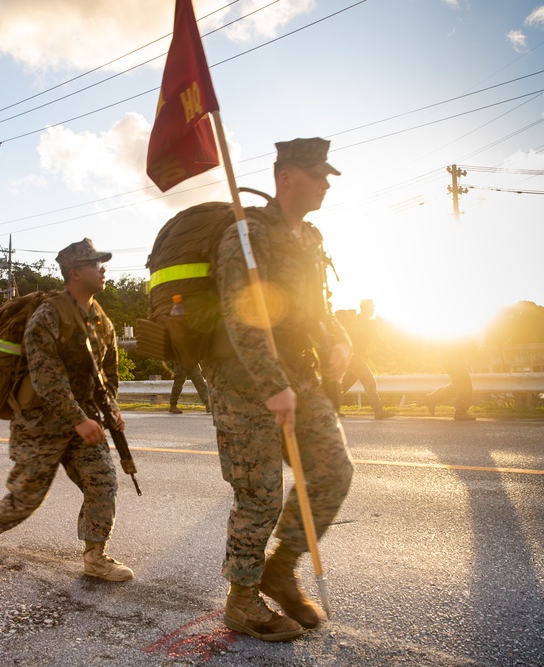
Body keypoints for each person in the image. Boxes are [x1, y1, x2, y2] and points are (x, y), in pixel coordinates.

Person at [203, 138, 354, 641]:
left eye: (328, 174)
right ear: (286, 177)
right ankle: (242, 599)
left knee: (333, 469)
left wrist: (337, 336)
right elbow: (240, 316)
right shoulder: (247, 236)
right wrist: (272, 386)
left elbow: (317, 308)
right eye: (317, 174)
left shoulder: (310, 238)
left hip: (300, 377)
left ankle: (280, 567)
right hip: (244, 385)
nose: (327, 183)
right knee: (260, 496)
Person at [0, 239, 133, 582]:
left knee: (102, 482)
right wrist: (78, 419)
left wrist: (110, 408)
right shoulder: (49, 314)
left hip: (85, 421)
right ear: (74, 273)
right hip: (41, 422)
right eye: (95, 264)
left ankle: (95, 556)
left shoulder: (101, 320)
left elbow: (108, 373)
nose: (103, 269)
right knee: (26, 499)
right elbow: (46, 376)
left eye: (102, 262)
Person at [339, 299, 394, 419]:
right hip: (356, 357)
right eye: (371, 307)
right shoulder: (361, 322)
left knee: (344, 385)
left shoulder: (362, 321)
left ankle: (331, 408)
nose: (373, 309)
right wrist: (387, 347)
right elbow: (375, 337)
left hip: (355, 357)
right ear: (365, 308)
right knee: (369, 381)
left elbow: (373, 336)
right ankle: (378, 410)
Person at [426, 337, 477, 421]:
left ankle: (434, 398)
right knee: (465, 383)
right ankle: (460, 412)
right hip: (453, 358)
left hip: (451, 357)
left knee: (458, 384)